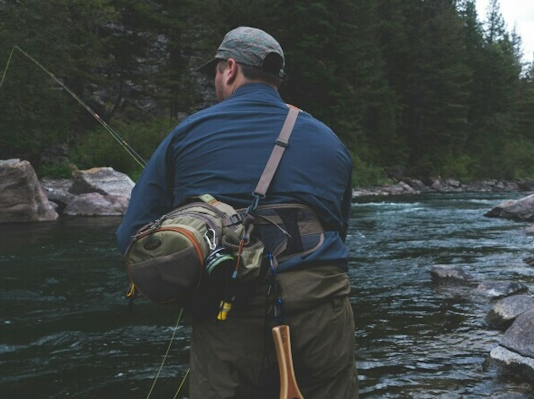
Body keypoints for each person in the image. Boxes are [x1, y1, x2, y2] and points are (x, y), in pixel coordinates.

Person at [116, 26, 357, 399]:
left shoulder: (187, 133)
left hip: (227, 312)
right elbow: (339, 230)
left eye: (215, 71)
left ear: (229, 68)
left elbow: (132, 235)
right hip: (321, 311)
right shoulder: (330, 141)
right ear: (276, 78)